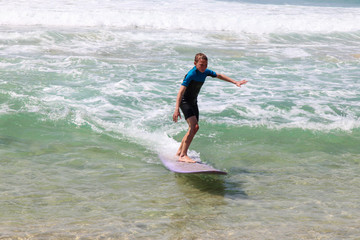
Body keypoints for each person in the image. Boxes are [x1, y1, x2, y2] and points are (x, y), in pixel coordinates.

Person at [173, 53, 248, 163]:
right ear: (195, 63)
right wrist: (176, 109)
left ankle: (180, 152)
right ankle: (183, 155)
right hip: (185, 102)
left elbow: (220, 75)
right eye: (201, 65)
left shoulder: (206, 72)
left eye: (205, 65)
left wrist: (235, 82)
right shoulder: (191, 74)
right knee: (193, 126)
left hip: (193, 102)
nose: (204, 67)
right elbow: (180, 92)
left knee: (195, 128)